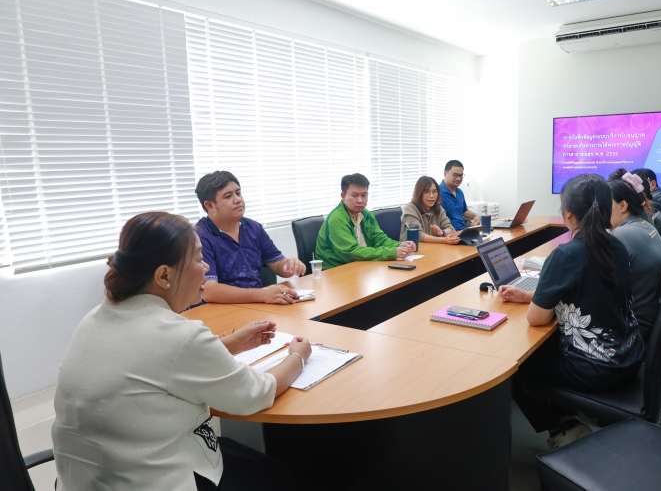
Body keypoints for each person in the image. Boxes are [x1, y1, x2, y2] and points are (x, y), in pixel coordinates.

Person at [52, 212, 311, 490]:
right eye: (199, 258)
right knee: (277, 473)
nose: (206, 266)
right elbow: (255, 394)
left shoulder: (96, 317)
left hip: (85, 480)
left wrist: (231, 344)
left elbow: (158, 361)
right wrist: (297, 356)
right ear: (164, 274)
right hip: (153, 480)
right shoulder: (180, 336)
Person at [499, 174, 644, 450]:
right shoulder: (618, 246)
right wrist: (532, 296)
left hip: (598, 367)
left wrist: (537, 302)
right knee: (549, 344)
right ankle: (568, 416)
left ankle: (562, 428)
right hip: (629, 355)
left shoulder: (565, 254)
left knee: (515, 365)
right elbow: (590, 296)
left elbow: (536, 318)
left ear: (567, 214)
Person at [195, 171, 306, 305]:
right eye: (228, 196)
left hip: (256, 304)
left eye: (238, 193)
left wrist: (290, 265)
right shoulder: (200, 236)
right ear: (210, 205)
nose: (238, 199)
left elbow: (278, 264)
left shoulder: (253, 228)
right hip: (220, 308)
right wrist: (263, 294)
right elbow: (208, 290)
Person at [608, 169, 661, 343]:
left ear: (623, 205)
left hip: (632, 329)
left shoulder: (620, 236)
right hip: (648, 319)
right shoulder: (646, 225)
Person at [316, 173, 415, 270]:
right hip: (335, 270)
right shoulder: (336, 219)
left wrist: (399, 245)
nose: (360, 200)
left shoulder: (366, 214)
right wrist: (392, 252)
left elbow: (379, 239)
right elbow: (352, 253)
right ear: (343, 196)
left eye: (364, 195)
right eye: (354, 195)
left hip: (361, 266)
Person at [400, 176, 461, 244]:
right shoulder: (410, 209)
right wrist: (443, 240)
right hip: (413, 249)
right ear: (419, 193)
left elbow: (450, 229)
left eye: (434, 191)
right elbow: (418, 234)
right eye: (427, 192)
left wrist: (442, 232)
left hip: (433, 247)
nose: (432, 195)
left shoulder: (439, 208)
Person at [440, 160, 480, 231]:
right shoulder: (437, 192)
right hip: (448, 233)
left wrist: (476, 216)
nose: (458, 178)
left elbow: (463, 211)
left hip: (463, 231)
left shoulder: (459, 192)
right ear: (445, 174)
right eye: (455, 175)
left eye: (461, 175)